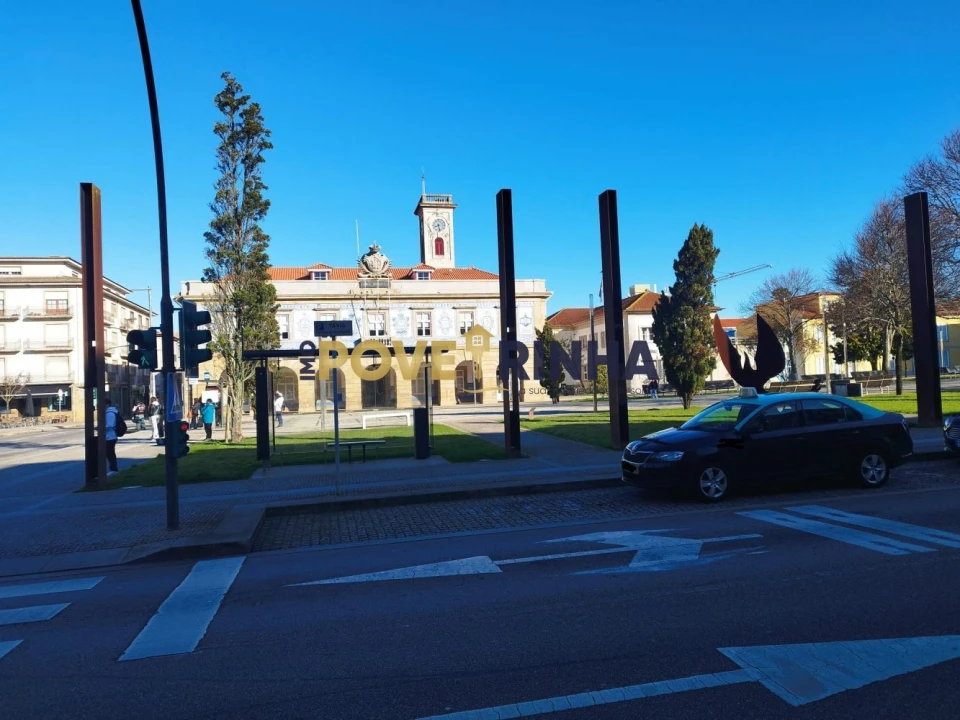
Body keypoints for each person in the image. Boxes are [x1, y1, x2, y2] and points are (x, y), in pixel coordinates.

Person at [104, 399, 119, 475]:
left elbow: (109, 425)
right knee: (110, 453)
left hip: (110, 436)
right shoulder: (111, 412)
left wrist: (101, 428)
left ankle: (113, 469)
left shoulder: (109, 413)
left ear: (107, 405)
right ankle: (113, 468)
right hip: (111, 435)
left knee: (109, 453)